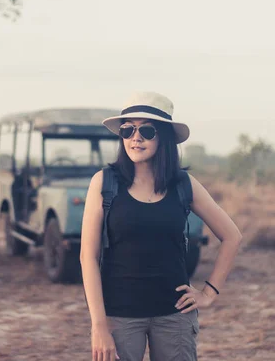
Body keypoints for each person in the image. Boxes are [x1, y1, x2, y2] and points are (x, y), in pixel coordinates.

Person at [80, 92, 243, 361]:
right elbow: (88, 256)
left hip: (174, 316)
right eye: (128, 129)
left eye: (146, 130)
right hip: (119, 317)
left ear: (164, 136)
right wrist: (98, 325)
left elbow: (232, 236)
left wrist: (208, 293)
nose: (136, 137)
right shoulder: (104, 182)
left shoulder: (183, 184)